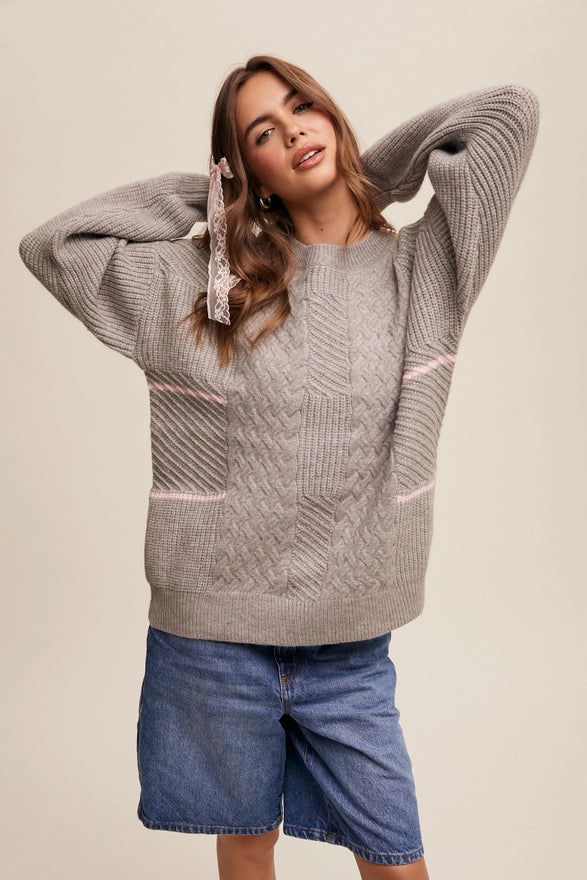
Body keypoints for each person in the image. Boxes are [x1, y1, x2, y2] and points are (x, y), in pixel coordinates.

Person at [18, 55, 539, 880]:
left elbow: (506, 114)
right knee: (248, 845)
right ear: (245, 167)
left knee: (396, 858)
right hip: (214, 635)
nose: (293, 128)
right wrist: (219, 201)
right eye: (263, 130)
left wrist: (365, 176)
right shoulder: (210, 284)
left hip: (350, 643)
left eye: (302, 108)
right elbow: (55, 247)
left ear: (331, 115)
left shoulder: (425, 268)